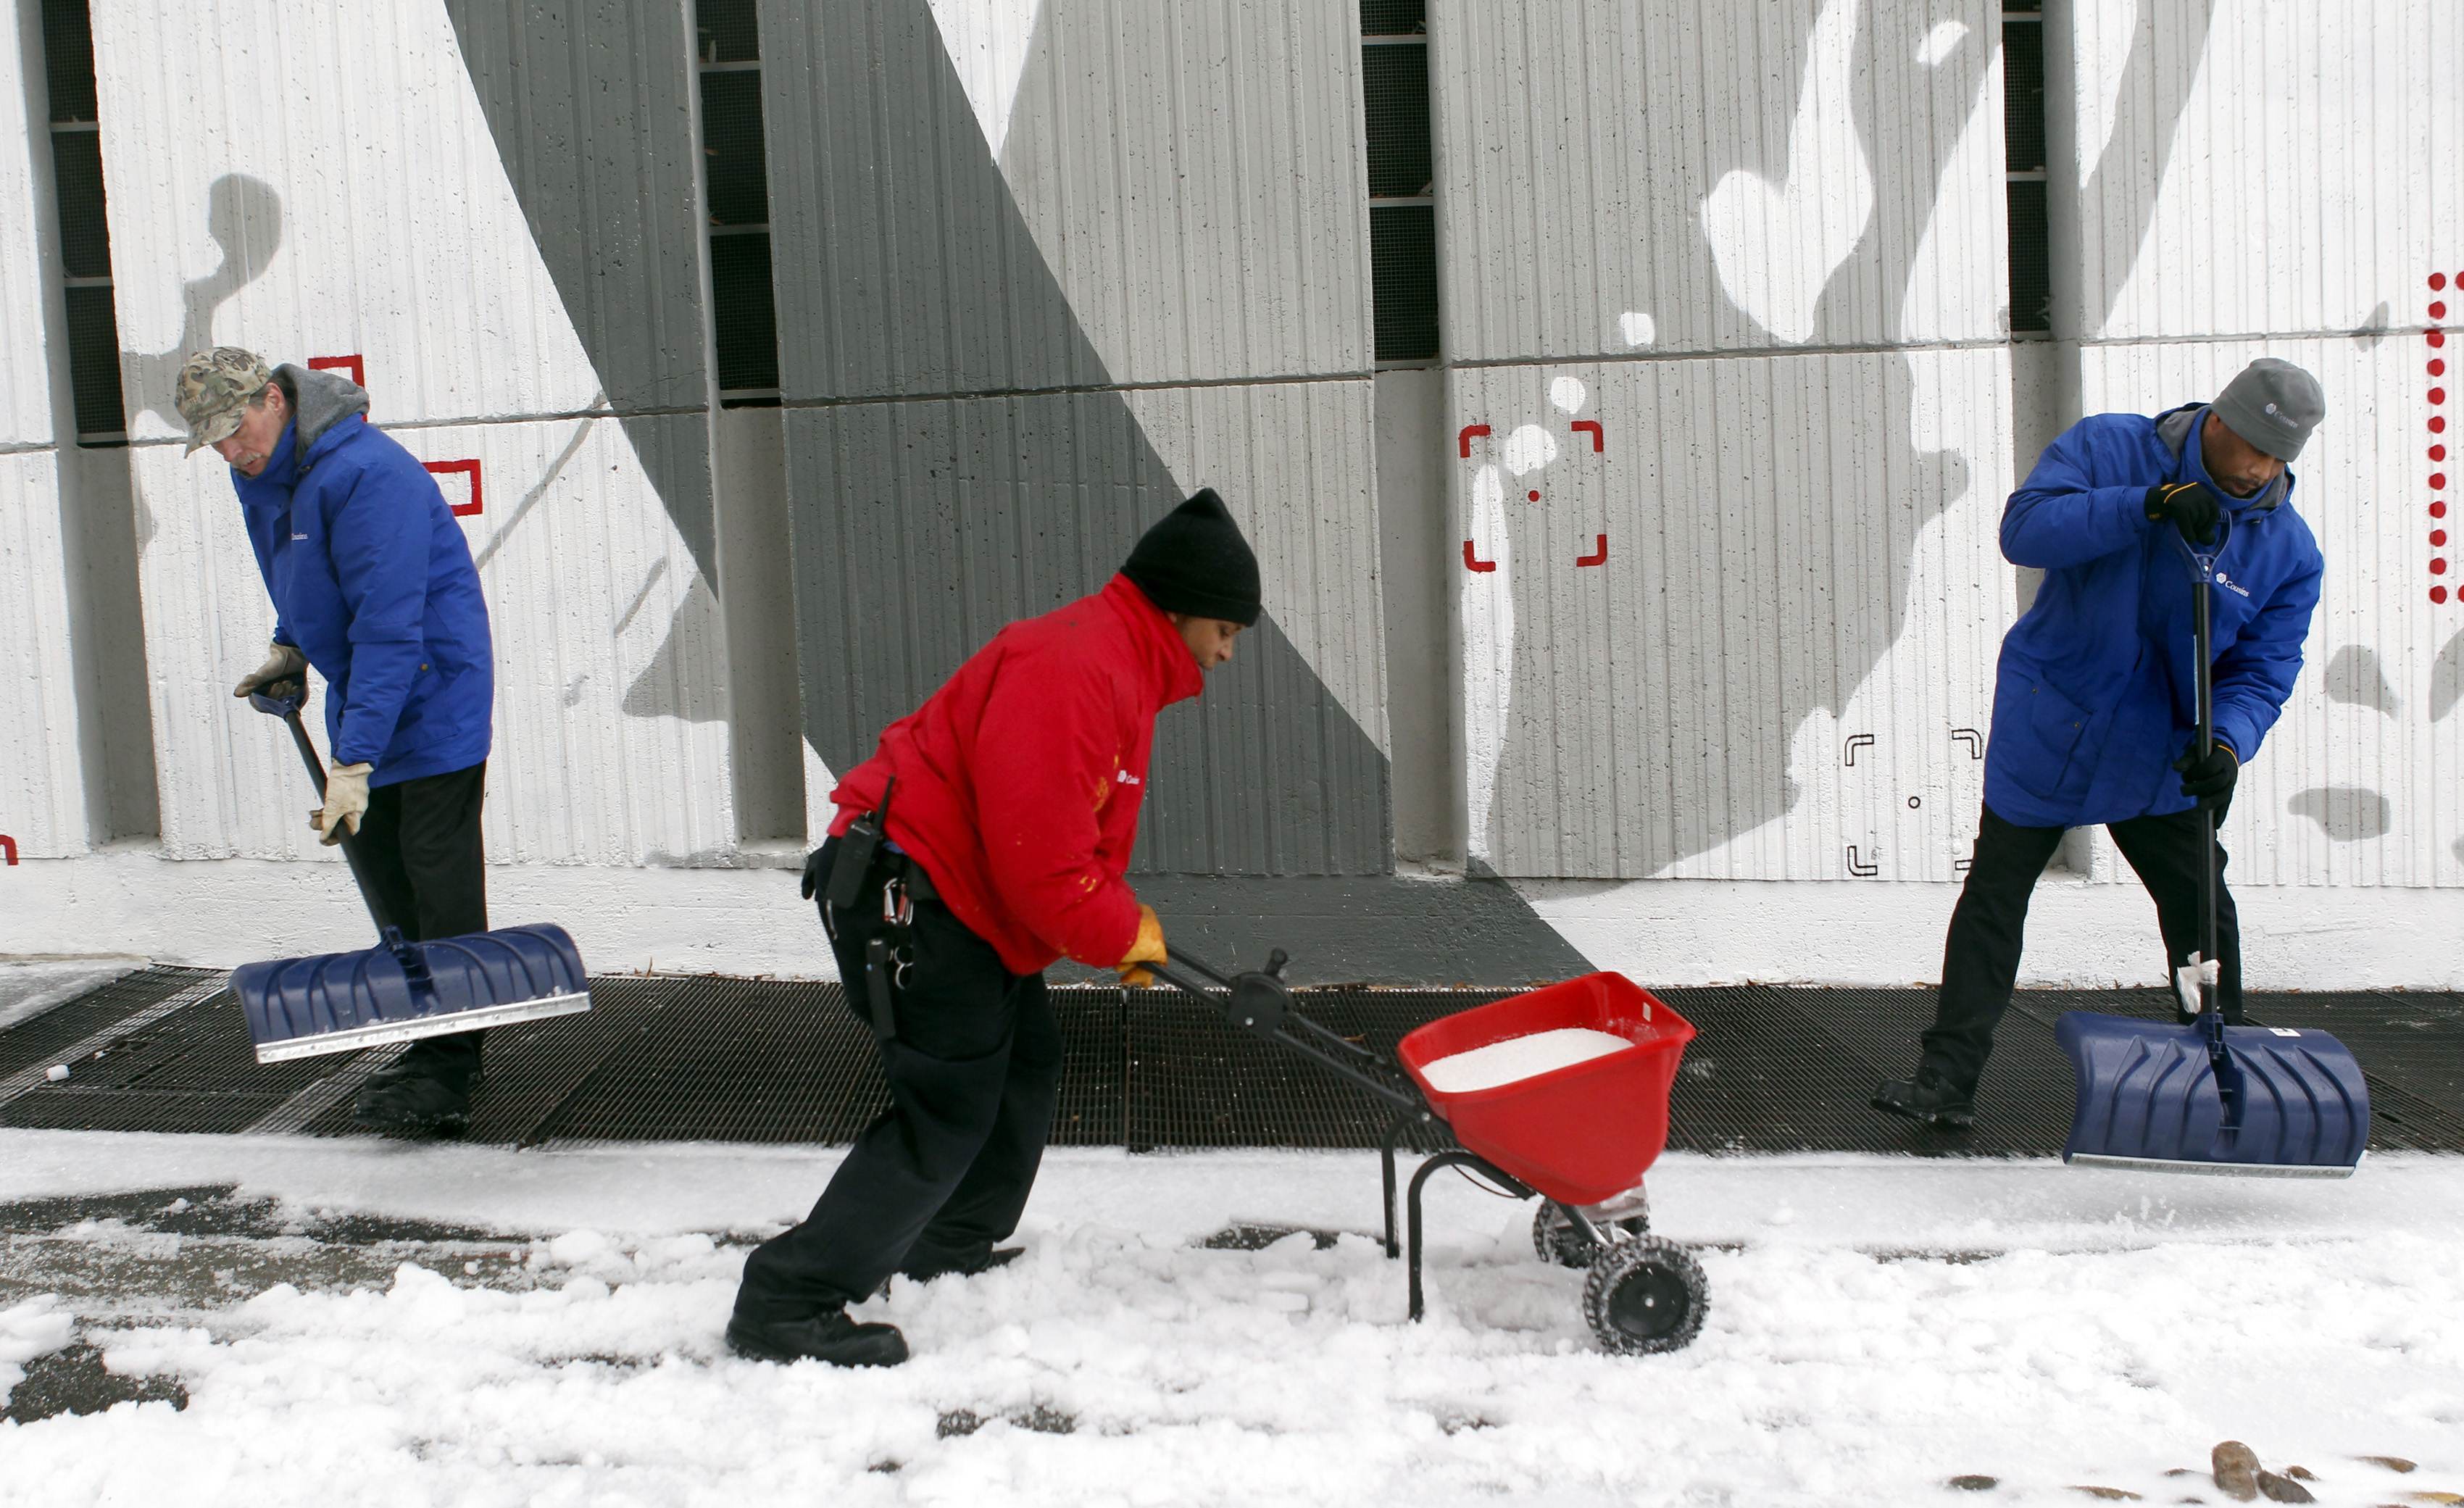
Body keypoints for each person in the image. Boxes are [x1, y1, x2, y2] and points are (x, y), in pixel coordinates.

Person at [727, 489, 1258, 1367]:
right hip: (913, 898)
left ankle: (946, 1243)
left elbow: (1075, 836)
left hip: (962, 900)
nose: (1227, 651)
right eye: (1226, 628)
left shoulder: (1117, 662)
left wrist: (1121, 924)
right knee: (948, 1107)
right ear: (1178, 605)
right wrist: (1117, 929)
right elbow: (1039, 860)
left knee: (1022, 1065)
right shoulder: (1081, 667)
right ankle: (786, 1297)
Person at [1873, 358, 2326, 1129]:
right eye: (2248, 443)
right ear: (2217, 418)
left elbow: (2263, 669)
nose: (2256, 467)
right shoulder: (2112, 449)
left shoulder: (2286, 550)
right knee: (1994, 896)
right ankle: (1942, 1086)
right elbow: (2025, 530)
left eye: (2276, 456)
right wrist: (2144, 506)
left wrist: (2226, 742)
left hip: (2162, 748)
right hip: (2056, 719)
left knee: (2200, 905)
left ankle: (2225, 1084)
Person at [175, 347, 496, 1135]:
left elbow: (391, 626)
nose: (230, 449)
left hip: (430, 686)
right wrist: (290, 645)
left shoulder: (368, 474)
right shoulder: (260, 472)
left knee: (434, 876)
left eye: (236, 427)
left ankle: (453, 1064)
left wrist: (352, 760)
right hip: (369, 692)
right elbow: (301, 576)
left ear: (275, 399)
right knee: (384, 874)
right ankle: (431, 1037)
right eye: (214, 439)